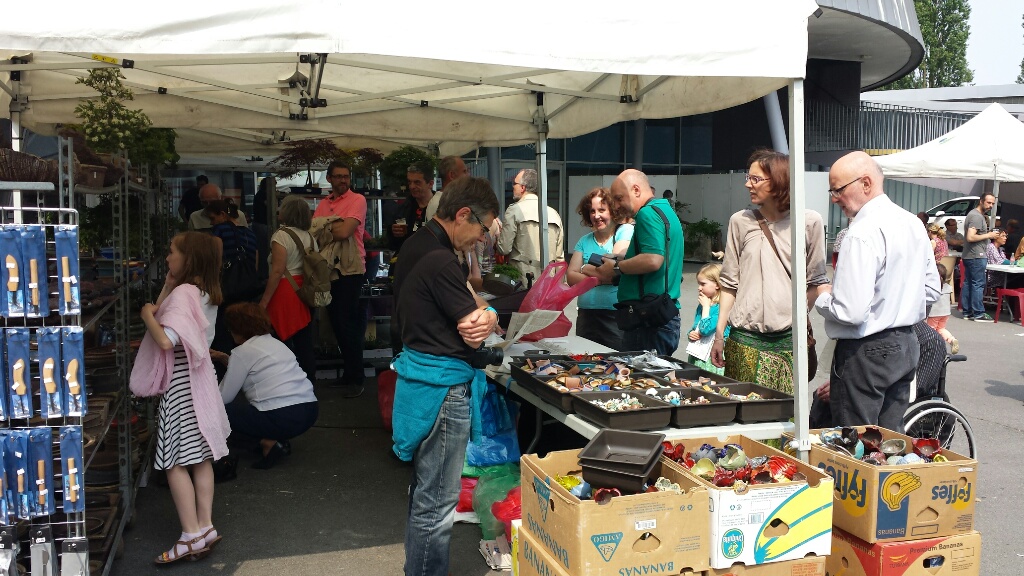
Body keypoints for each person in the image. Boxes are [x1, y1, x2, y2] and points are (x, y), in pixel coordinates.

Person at [390, 176, 500, 576]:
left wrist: (487, 315)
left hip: (424, 378)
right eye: (483, 230)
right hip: (442, 387)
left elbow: (474, 311)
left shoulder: (419, 246)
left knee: (427, 498)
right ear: (463, 215)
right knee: (436, 505)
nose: (481, 239)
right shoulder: (439, 259)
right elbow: (474, 325)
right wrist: (489, 316)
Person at [815, 151, 941, 432]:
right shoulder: (912, 223)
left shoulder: (862, 231)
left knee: (854, 442)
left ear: (866, 183)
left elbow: (851, 312)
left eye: (838, 190)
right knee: (888, 440)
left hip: (867, 350)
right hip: (905, 343)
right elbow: (932, 290)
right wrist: (899, 303)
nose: (834, 198)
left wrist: (821, 296)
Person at [129, 232, 230, 564]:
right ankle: (205, 527)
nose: (168, 257)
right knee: (201, 458)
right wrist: (169, 285)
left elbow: (165, 338)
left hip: (182, 384)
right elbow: (169, 315)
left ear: (189, 258)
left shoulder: (185, 294)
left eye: (172, 252)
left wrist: (145, 314)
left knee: (172, 461)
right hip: (200, 380)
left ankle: (189, 536)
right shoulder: (204, 292)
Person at [710, 149, 829, 394]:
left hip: (788, 342)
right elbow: (729, 284)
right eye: (748, 177)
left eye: (755, 179)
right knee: (744, 410)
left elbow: (816, 281)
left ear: (779, 181)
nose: (747, 184)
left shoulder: (809, 222)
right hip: (744, 341)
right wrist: (719, 334)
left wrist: (794, 315)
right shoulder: (740, 221)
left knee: (785, 413)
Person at [215, 303, 318, 470]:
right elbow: (257, 370)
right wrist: (227, 360)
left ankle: (266, 442)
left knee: (217, 412)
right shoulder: (276, 344)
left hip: (281, 416)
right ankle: (275, 438)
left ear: (238, 329)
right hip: (309, 410)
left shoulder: (242, 352)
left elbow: (223, 398)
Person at [593, 169, 684, 355]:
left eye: (619, 198)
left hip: (648, 320)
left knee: (641, 373)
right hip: (662, 315)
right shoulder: (665, 210)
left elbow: (653, 259)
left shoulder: (647, 214)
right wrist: (622, 259)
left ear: (636, 190)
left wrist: (616, 267)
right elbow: (658, 256)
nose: (616, 206)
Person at [809, 320, 946, 429]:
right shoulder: (890, 328)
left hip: (911, 400)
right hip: (880, 375)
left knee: (848, 410)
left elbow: (915, 389)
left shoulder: (930, 339)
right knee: (821, 396)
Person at [313, 161, 367, 397]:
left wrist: (325, 227)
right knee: (336, 322)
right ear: (329, 178)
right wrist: (331, 227)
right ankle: (349, 374)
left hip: (350, 270)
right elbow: (314, 233)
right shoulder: (324, 203)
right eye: (338, 176)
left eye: (346, 176)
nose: (343, 180)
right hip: (328, 268)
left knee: (347, 324)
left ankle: (357, 378)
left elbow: (344, 232)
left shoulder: (357, 200)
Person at [259, 195, 318, 385]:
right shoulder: (310, 237)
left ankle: (283, 383)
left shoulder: (281, 236)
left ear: (287, 212)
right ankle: (308, 381)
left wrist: (264, 302)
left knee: (280, 339)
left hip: (285, 290)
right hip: (304, 290)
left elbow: (277, 271)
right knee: (303, 340)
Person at [565, 187, 633, 350]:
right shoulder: (584, 240)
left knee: (614, 361)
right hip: (586, 314)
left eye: (602, 210)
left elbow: (612, 271)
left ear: (613, 211)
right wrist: (600, 279)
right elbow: (571, 277)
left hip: (615, 315)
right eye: (592, 211)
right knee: (585, 359)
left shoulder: (624, 232)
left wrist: (585, 269)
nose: (596, 216)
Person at [496, 168, 565, 282]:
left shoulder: (514, 210)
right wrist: (560, 285)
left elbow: (504, 249)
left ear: (523, 187)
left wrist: (498, 236)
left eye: (514, 184)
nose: (512, 187)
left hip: (522, 280)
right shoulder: (554, 214)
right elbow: (559, 259)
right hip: (548, 280)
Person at [962, 193, 998, 322]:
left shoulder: (975, 215)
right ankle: (978, 313)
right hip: (976, 255)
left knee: (969, 283)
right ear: (981, 201)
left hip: (970, 255)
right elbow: (970, 237)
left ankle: (968, 312)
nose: (991, 205)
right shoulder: (976, 216)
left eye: (993, 203)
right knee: (977, 284)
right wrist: (989, 235)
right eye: (988, 202)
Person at [687, 263, 729, 375]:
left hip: (711, 357)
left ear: (717, 284)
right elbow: (697, 326)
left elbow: (705, 330)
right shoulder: (703, 304)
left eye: (703, 284)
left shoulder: (721, 307)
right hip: (698, 353)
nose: (699, 288)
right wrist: (691, 333)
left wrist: (706, 307)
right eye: (698, 284)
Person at [387, 163, 435, 254]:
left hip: (435, 259)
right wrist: (394, 234)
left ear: (430, 184)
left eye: (417, 182)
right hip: (409, 259)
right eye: (409, 182)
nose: (412, 186)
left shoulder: (442, 207)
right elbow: (392, 246)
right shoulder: (402, 210)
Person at [423, 156, 471, 221]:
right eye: (464, 171)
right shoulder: (438, 203)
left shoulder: (452, 200)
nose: (468, 175)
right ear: (452, 175)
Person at [926, 262, 958, 353]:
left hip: (934, 313)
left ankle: (933, 348)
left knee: (931, 330)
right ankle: (951, 339)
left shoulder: (933, 287)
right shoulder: (948, 287)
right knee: (941, 329)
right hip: (945, 312)